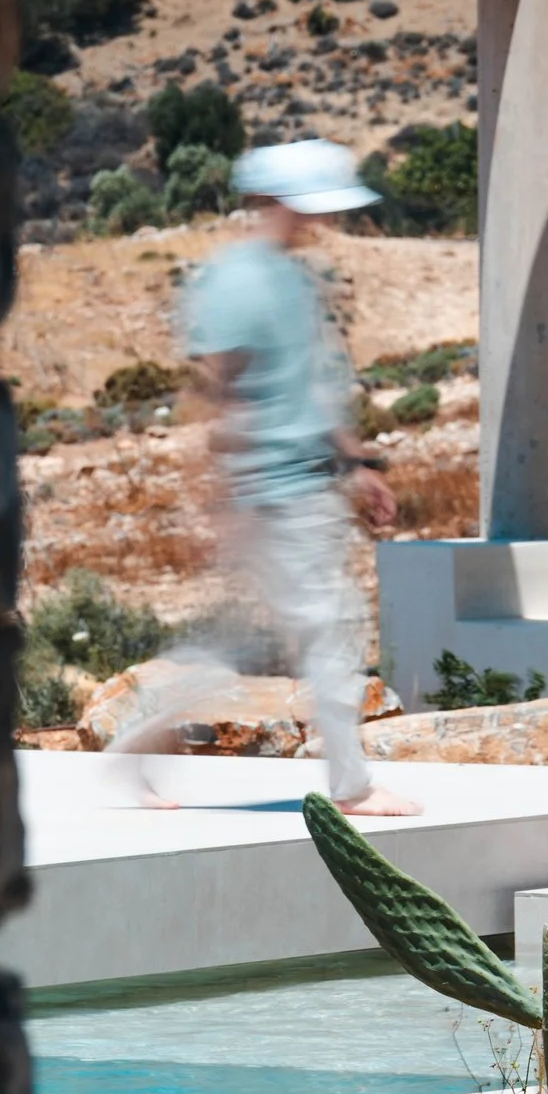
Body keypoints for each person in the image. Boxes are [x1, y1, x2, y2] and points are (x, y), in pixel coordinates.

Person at [177, 138, 420, 819]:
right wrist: (231, 496)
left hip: (308, 487)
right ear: (281, 202)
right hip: (274, 491)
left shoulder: (290, 278)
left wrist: (358, 464)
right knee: (328, 630)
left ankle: (132, 743)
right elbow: (229, 395)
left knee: (263, 635)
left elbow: (313, 389)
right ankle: (354, 789)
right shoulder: (235, 280)